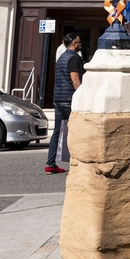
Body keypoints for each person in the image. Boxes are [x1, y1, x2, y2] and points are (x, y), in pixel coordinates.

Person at [45, 32, 83, 174]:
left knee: (57, 132)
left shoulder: (61, 57)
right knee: (78, 128)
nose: (80, 45)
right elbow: (75, 79)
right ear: (74, 44)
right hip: (69, 98)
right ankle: (78, 160)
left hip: (58, 98)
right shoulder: (74, 58)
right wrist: (81, 95)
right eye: (79, 42)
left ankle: (50, 163)